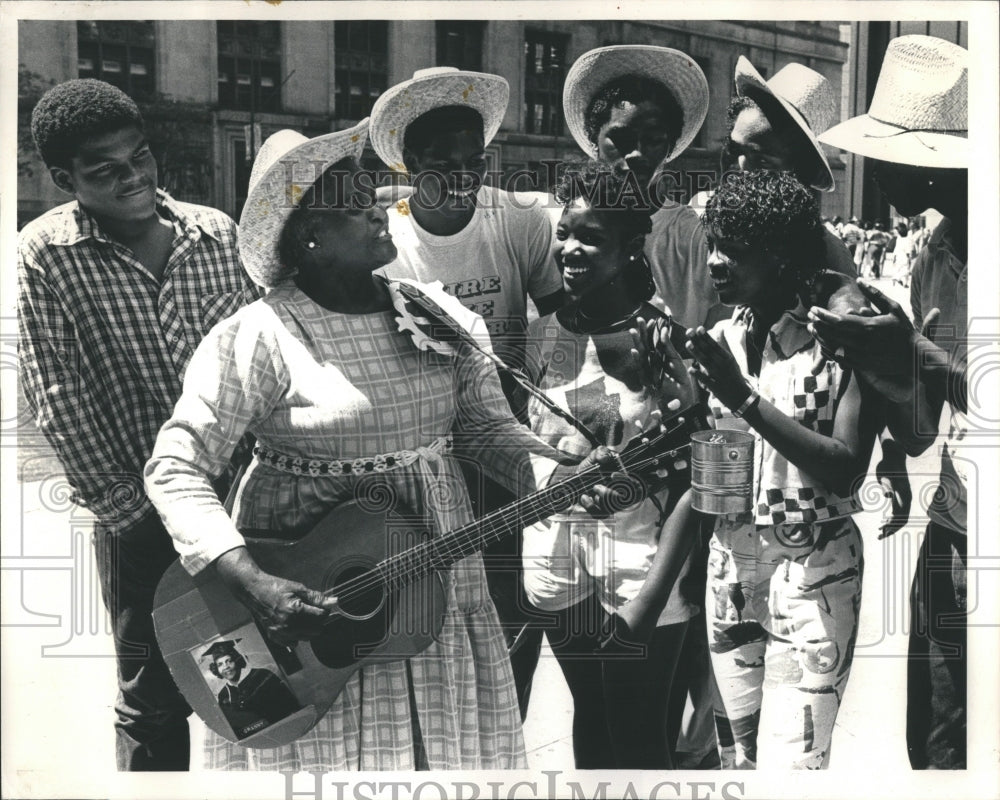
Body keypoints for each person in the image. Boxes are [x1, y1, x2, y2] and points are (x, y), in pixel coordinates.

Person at [143, 121, 582, 771]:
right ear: (309, 238)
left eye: (373, 193)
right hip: (302, 616)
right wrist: (252, 581)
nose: (380, 208)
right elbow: (177, 465)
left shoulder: (436, 318)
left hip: (433, 588)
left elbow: (489, 431)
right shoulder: (259, 335)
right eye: (354, 206)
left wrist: (559, 478)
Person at [17, 79, 257, 771]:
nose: (135, 177)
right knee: (152, 699)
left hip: (239, 503)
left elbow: (258, 358)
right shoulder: (45, 255)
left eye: (140, 156)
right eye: (106, 171)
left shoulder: (216, 233)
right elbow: (58, 395)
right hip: (138, 522)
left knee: (253, 680)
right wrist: (135, 517)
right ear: (64, 180)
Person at [369, 66, 565, 718]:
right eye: (441, 164)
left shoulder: (516, 220)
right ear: (409, 165)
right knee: (426, 613)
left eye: (473, 160)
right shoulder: (384, 238)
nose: (461, 176)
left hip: (506, 446)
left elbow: (563, 318)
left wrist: (540, 403)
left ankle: (507, 729)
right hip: (422, 457)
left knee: (516, 606)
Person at [685, 170, 879, 769]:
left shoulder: (845, 336)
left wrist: (742, 400)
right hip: (731, 566)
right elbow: (718, 470)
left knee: (796, 764)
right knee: (736, 758)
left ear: (783, 256)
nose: (716, 262)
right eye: (713, 243)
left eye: (735, 250)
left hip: (815, 569)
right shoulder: (722, 336)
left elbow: (847, 470)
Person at [814, 34, 969, 770]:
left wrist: (904, 344)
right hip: (957, 516)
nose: (880, 173)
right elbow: (931, 410)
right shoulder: (934, 250)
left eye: (899, 160)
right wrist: (892, 443)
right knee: (934, 728)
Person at [520, 159, 704, 769]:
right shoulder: (541, 334)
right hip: (558, 558)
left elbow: (699, 477)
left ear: (631, 250)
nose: (570, 250)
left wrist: (651, 598)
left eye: (591, 237)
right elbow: (517, 442)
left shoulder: (664, 341)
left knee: (638, 731)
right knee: (592, 717)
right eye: (564, 234)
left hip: (641, 564)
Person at [719, 57, 858, 277]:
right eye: (735, 150)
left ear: (797, 175)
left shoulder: (826, 256)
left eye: (763, 161)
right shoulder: (706, 222)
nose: (740, 168)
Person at [202, 640, 300, 740]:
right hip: (255, 739)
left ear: (237, 660)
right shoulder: (223, 695)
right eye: (220, 664)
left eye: (229, 661)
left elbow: (291, 706)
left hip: (284, 728)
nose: (226, 667)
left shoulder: (262, 675)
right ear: (216, 669)